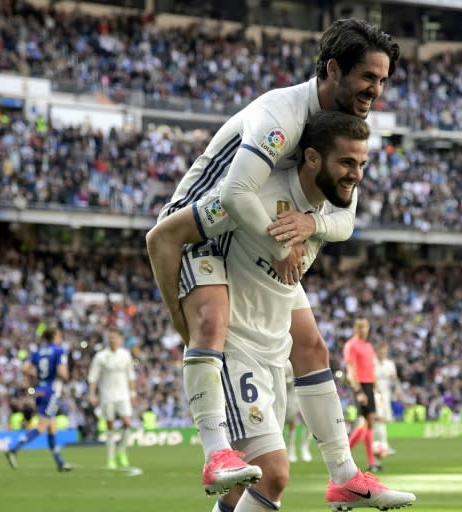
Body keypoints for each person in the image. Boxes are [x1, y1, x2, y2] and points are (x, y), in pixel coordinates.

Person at [149, 18, 403, 498]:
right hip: (202, 230)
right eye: (368, 77)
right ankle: (215, 451)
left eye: (383, 80)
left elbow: (345, 218)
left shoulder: (340, 131)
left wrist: (311, 225)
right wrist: (283, 247)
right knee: (211, 321)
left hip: (258, 234)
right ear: (333, 69)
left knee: (311, 348)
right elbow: (237, 191)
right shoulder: (281, 114)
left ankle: (345, 475)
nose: (376, 90)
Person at [5, 327, 73, 472]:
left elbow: (25, 369)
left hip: (41, 389)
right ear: (54, 336)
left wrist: (40, 376)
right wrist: (66, 378)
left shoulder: (38, 352)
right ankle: (14, 449)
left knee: (52, 426)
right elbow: (62, 372)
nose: (60, 337)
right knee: (43, 426)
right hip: (52, 391)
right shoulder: (58, 351)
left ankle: (60, 463)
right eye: (59, 335)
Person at [87, 327, 137, 469]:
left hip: (123, 394)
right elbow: (93, 377)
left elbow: (131, 376)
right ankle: (110, 458)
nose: (113, 340)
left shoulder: (125, 355)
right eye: (111, 338)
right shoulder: (101, 356)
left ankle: (121, 450)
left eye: (116, 337)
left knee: (127, 422)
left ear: (120, 339)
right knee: (110, 426)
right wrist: (91, 394)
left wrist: (133, 393)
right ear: (108, 340)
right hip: (107, 395)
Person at [343, 318, 380, 473]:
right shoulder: (351, 345)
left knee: (369, 422)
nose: (363, 330)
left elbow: (371, 367)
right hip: (360, 385)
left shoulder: (369, 346)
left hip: (369, 384)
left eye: (365, 327)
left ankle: (371, 462)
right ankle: (344, 456)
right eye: (360, 327)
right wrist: (358, 391)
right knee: (364, 422)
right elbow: (351, 370)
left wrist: (375, 386)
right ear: (355, 329)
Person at [373, 342, 401, 458]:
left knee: (383, 420)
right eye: (382, 351)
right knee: (379, 419)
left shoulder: (389, 364)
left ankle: (378, 445)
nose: (383, 353)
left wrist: (398, 388)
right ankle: (383, 445)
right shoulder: (372, 363)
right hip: (375, 395)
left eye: (385, 351)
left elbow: (394, 378)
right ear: (377, 351)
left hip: (386, 394)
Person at [284, 360, 312, 464]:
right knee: (292, 422)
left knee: (310, 422)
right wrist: (288, 380)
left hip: (304, 395)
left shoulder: (304, 362)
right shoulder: (286, 363)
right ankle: (291, 449)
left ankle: (305, 447)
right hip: (291, 397)